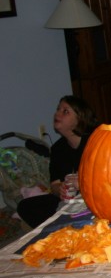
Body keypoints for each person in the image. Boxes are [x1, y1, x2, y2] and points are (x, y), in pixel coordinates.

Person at [16, 96, 99, 228]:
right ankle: (60, 229)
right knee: (25, 206)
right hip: (69, 201)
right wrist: (59, 189)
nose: (57, 114)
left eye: (65, 111)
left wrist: (83, 183)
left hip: (94, 196)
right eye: (58, 109)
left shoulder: (96, 140)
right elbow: (54, 184)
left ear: (80, 118)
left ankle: (72, 224)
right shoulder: (57, 149)